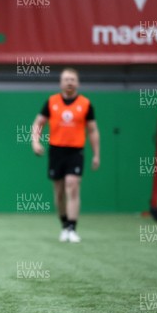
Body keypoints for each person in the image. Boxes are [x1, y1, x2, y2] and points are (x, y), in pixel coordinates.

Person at [31, 68, 100, 243]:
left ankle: (72, 227)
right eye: (66, 79)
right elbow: (39, 123)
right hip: (56, 151)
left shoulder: (85, 104)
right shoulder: (52, 102)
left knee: (73, 185)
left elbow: (92, 130)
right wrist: (35, 142)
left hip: (76, 151)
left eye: (72, 79)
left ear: (78, 83)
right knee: (59, 192)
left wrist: (96, 154)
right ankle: (64, 225)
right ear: (61, 83)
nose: (69, 82)